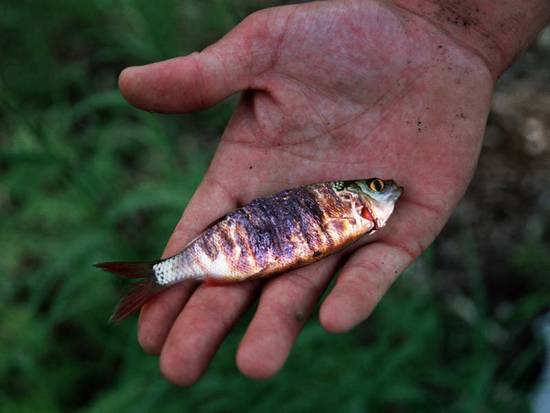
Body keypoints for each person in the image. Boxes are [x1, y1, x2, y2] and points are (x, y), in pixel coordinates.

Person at [118, 0, 550, 386]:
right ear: (356, 197)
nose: (388, 190)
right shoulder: (352, 209)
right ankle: (162, 273)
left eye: (378, 187)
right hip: (222, 251)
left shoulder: (360, 213)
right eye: (377, 187)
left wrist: (452, 28)